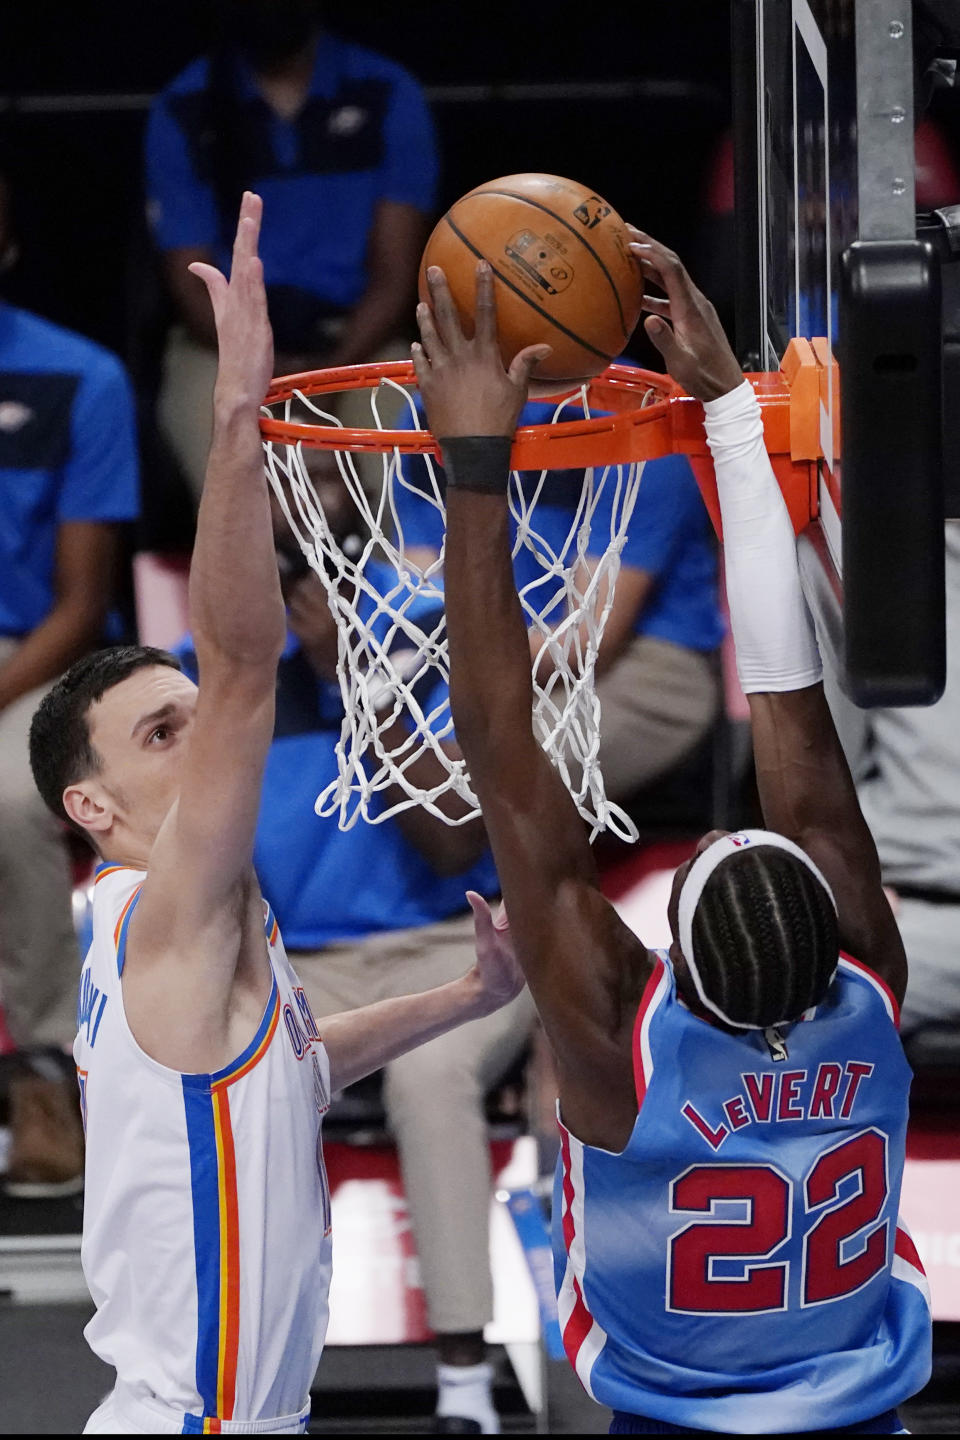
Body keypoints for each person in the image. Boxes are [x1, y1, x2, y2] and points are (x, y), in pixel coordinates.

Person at [409, 246, 932, 1433]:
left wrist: (475, 457)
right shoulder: (862, 990)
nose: (711, 836)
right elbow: (516, 750)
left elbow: (500, 748)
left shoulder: (623, 1043)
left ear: (675, 963)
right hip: (865, 1410)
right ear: (839, 930)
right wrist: (729, 416)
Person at [27, 195, 523, 1437]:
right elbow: (248, 668)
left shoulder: (195, 941)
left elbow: (298, 1063)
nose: (203, 738)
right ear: (92, 808)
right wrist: (243, 410)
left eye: (190, 715)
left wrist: (461, 1000)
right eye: (160, 733)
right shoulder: (164, 914)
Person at [175, 462, 534, 1434]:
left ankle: (465, 1380)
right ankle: (217, 1369)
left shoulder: (430, 629)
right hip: (301, 966)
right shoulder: (202, 675)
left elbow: (456, 837)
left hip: (456, 947)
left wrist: (352, 675)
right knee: (230, 1082)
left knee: (428, 1080)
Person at [145, 0, 437, 506]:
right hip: (219, 346)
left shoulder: (387, 91)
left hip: (363, 344)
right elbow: (192, 284)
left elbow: (396, 275)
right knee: (236, 498)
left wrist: (328, 371)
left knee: (403, 495)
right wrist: (269, 372)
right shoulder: (183, 105)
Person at [0, 170, 139, 1198]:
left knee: (10, 803)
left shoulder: (78, 377)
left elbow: (81, 601)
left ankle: (43, 1070)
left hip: (37, 660)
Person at [393, 394, 723, 804]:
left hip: (643, 661)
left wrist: (430, 656)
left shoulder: (637, 413)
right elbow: (421, 592)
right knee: (371, 747)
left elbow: (585, 642)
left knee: (460, 776)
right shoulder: (428, 410)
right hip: (484, 655)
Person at [825, 526, 960, 1036]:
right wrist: (848, 882)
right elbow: (826, 760)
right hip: (907, 910)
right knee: (764, 1009)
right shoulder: (876, 549)